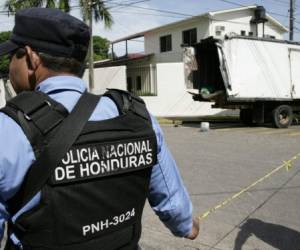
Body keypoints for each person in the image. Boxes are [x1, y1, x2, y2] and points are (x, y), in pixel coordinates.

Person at [0, 7, 199, 250]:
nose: (10, 67)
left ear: (31, 58)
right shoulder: (136, 115)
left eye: (13, 57)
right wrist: (187, 225)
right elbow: (173, 202)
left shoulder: (9, 128)